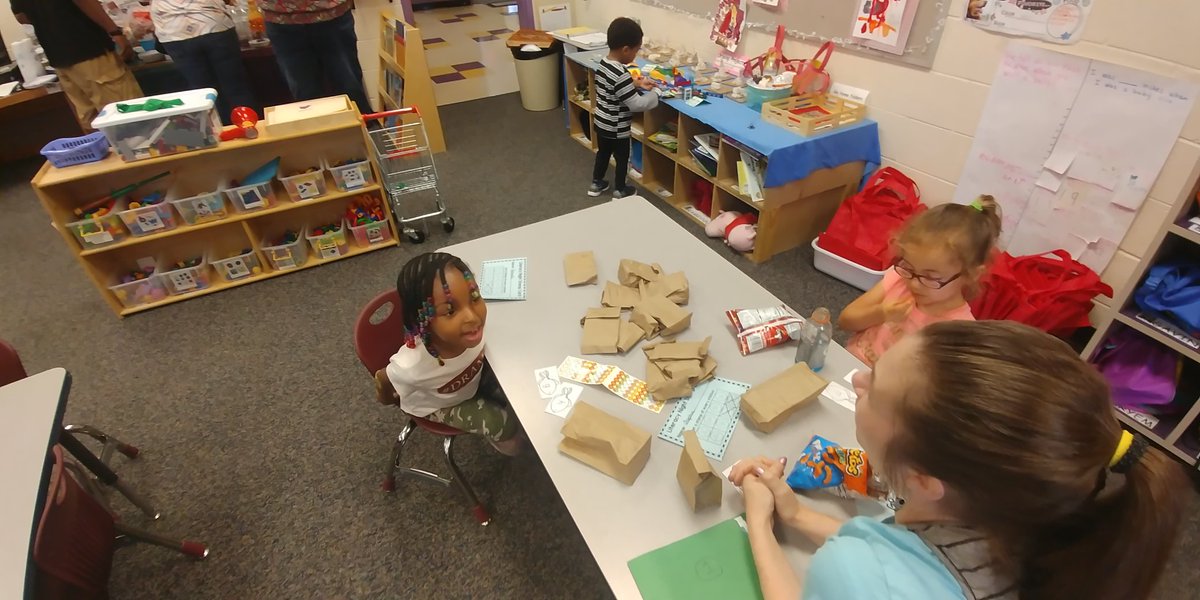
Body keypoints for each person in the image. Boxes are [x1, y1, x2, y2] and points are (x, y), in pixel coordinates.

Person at [730, 320, 1186, 600]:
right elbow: (919, 559)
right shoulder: (1046, 520)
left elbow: (868, 578)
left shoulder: (856, 571)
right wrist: (797, 515)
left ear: (924, 480)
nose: (857, 379)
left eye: (876, 386)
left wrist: (760, 528)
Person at [376, 252, 522, 455]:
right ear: (423, 321)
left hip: (473, 379)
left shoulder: (474, 330)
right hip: (441, 404)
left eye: (474, 298)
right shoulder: (409, 367)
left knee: (520, 389)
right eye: (450, 311)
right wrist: (388, 397)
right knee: (501, 423)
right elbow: (384, 379)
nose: (473, 317)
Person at [838, 195, 1001, 367]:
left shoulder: (960, 330)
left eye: (931, 277)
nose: (914, 283)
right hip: (849, 364)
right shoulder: (901, 279)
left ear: (972, 274)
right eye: (909, 267)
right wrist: (881, 313)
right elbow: (845, 320)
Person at [11, 0, 144, 124]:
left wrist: (49, 20)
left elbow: (21, 17)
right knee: (127, 116)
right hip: (90, 51)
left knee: (92, 121)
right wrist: (115, 31)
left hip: (59, 58)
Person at [151, 0, 258, 125]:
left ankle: (218, 137)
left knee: (203, 93)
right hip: (212, 22)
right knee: (235, 87)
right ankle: (250, 130)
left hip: (173, 28)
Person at [257, 0, 372, 116]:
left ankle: (363, 128)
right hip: (280, 17)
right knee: (306, 98)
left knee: (350, 89)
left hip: (331, 12)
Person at [588, 17, 658, 199]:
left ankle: (596, 183)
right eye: (636, 51)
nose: (636, 55)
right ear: (626, 49)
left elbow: (613, 87)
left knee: (602, 154)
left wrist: (635, 83)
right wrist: (655, 94)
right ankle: (620, 189)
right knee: (622, 159)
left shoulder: (604, 64)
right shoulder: (621, 73)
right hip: (617, 128)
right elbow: (636, 104)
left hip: (601, 123)